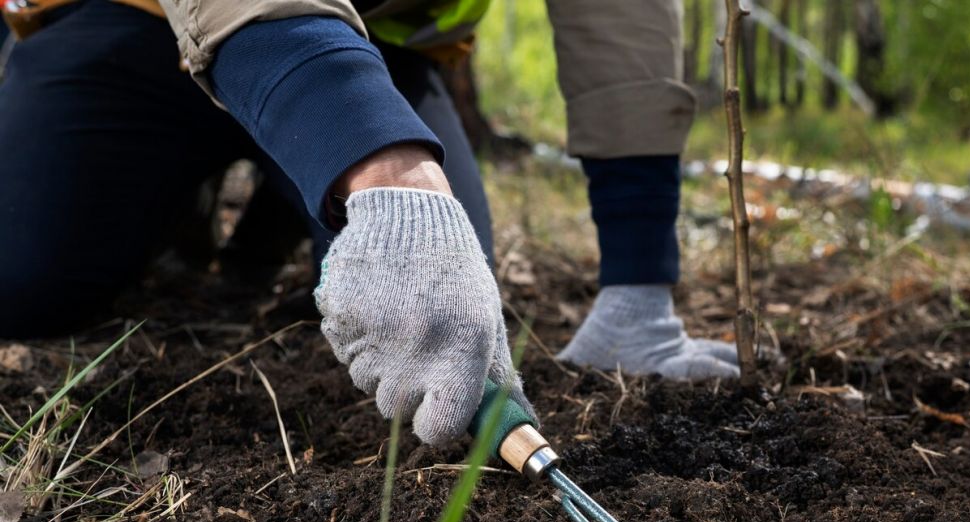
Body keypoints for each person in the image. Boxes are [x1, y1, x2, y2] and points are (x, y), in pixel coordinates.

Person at [0, 0, 739, 447]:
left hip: (374, 49)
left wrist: (638, 284)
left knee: (442, 322)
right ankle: (184, 195)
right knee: (24, 280)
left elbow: (619, 22)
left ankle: (289, 194)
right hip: (135, 30)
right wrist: (390, 175)